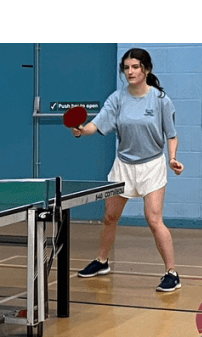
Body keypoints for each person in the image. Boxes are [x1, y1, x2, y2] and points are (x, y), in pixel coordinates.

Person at [71, 48, 185, 292]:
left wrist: (173, 158)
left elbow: (172, 134)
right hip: (123, 165)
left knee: (153, 219)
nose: (130, 72)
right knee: (110, 217)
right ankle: (102, 261)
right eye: (126, 67)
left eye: (135, 67)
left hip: (152, 165)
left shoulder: (160, 100)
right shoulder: (117, 98)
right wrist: (82, 130)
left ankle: (172, 272)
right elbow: (97, 124)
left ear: (146, 69)